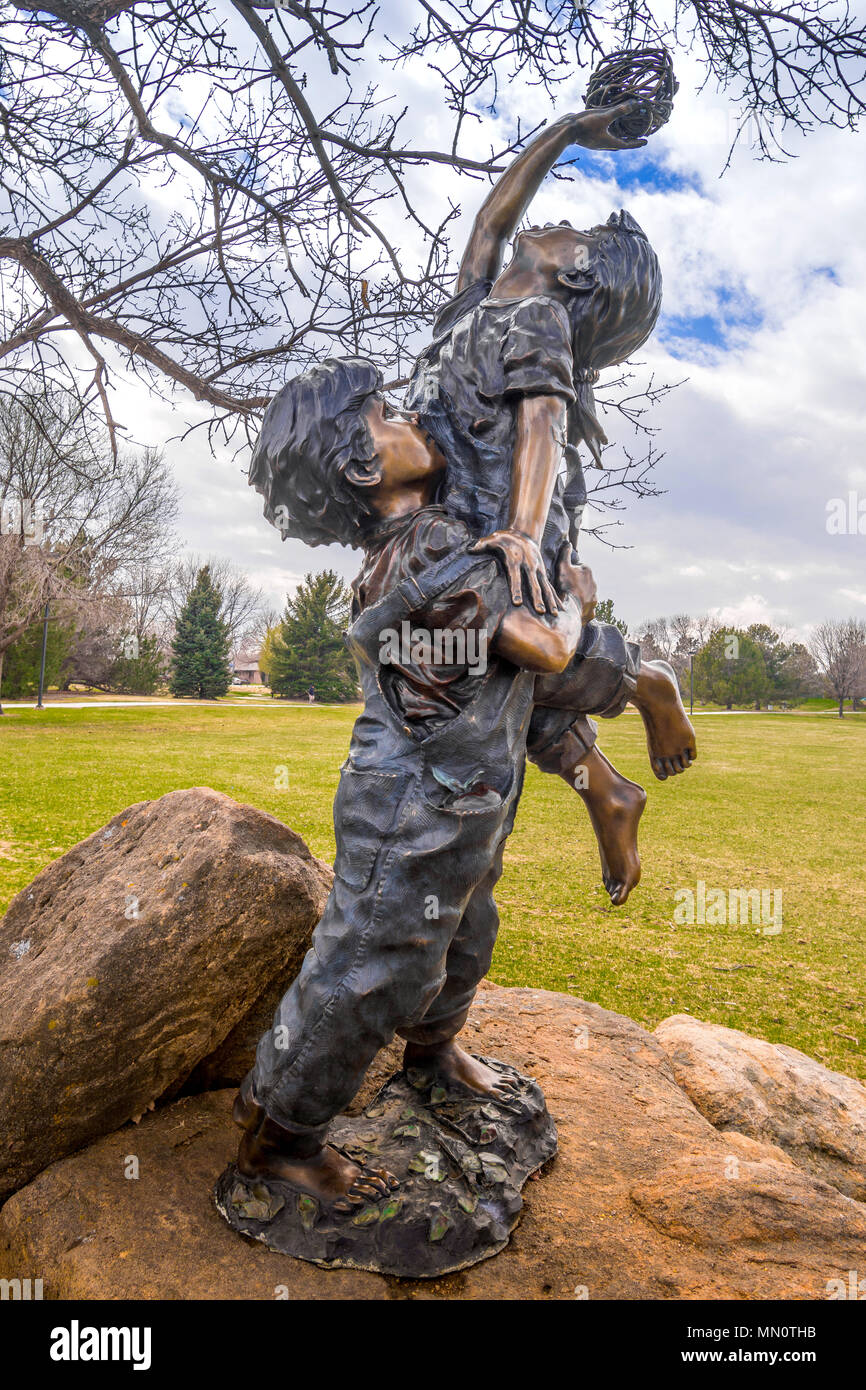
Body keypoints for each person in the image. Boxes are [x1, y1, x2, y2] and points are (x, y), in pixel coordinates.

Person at [238, 357, 598, 1209]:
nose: (411, 417)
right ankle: (279, 1137)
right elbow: (546, 647)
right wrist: (577, 599)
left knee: (465, 929)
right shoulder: (430, 547)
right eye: (388, 413)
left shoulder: (432, 536)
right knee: (373, 963)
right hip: (413, 801)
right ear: (365, 466)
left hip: (464, 793)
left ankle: (435, 1053)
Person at [405, 100, 696, 904]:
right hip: (468, 529)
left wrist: (525, 534)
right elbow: (490, 221)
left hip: (512, 527)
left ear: (574, 274)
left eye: (578, 234)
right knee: (486, 681)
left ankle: (641, 680)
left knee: (511, 654)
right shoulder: (473, 307)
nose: (556, 221)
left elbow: (541, 426)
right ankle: (605, 786)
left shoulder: (537, 318)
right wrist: (569, 129)